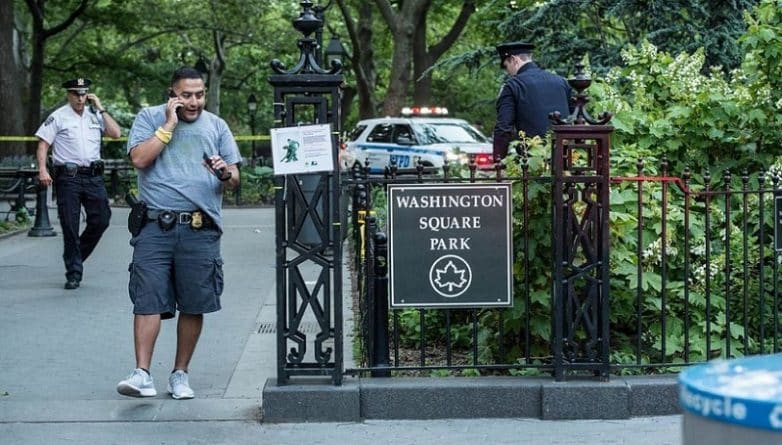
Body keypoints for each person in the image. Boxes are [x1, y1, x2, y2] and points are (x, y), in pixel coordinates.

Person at [117, 67, 240, 400]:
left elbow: (234, 178)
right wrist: (168, 126)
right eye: (186, 95)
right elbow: (140, 159)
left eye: (199, 94)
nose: (194, 101)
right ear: (172, 94)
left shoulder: (217, 126)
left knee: (194, 301)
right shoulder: (149, 118)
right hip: (155, 225)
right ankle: (142, 373)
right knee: (147, 297)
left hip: (200, 227)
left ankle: (179, 374)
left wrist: (224, 172)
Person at [35, 77, 121, 290]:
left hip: (93, 177)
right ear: (69, 94)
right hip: (69, 178)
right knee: (70, 225)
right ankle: (74, 272)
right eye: (76, 93)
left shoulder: (95, 116)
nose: (80, 98)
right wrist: (43, 170)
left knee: (102, 219)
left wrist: (100, 108)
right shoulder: (59, 117)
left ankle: (75, 256)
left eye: (84, 94)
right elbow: (43, 144)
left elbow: (116, 133)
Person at [492, 41, 572, 159]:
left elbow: (503, 128)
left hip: (533, 160)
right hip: (565, 158)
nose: (507, 71)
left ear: (514, 60)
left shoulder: (513, 86)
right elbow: (575, 119)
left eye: (506, 66)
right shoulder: (562, 82)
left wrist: (499, 163)